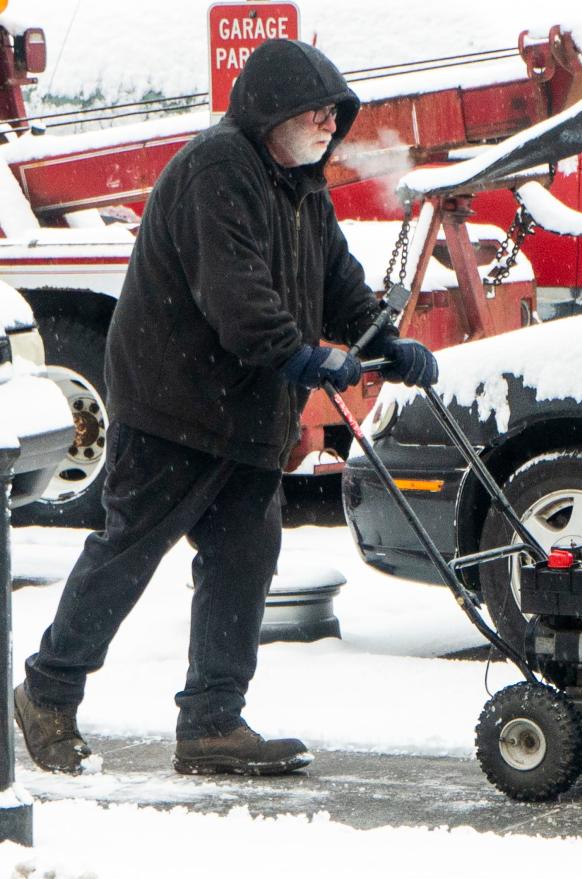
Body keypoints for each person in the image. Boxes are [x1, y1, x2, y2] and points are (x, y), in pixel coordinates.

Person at [13, 39, 437, 776]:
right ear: (268, 111)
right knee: (128, 553)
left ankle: (212, 720)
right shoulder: (217, 170)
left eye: (331, 117)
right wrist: (302, 355)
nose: (325, 128)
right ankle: (47, 692)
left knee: (243, 561)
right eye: (312, 114)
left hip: (245, 410)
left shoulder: (302, 183)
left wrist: (383, 340)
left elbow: (335, 275)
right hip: (173, 401)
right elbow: (236, 294)